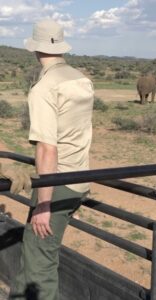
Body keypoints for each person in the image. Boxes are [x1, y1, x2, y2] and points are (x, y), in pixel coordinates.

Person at [9, 19, 94, 300]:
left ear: (35, 48)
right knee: (34, 253)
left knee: (39, 264)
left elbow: (47, 149)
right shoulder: (80, 78)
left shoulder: (44, 87)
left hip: (55, 184)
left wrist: (43, 203)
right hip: (78, 179)